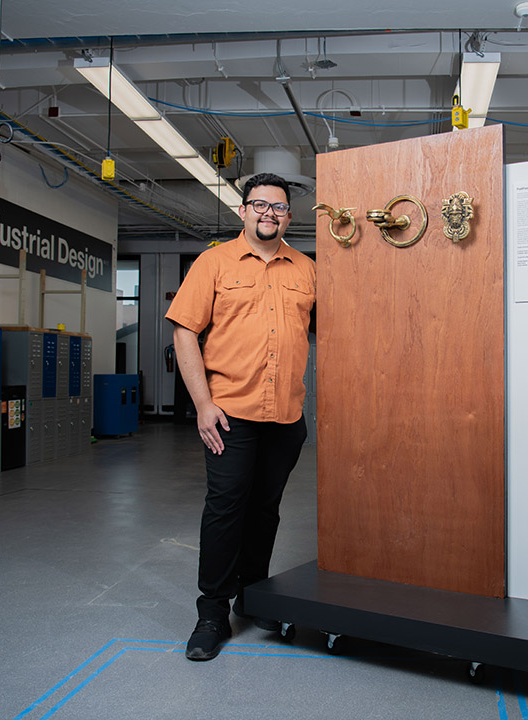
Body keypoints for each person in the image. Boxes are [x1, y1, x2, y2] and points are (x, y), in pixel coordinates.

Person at [165, 173, 315, 661]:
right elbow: (184, 331)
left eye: (278, 208)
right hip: (231, 414)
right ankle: (212, 612)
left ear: (288, 216)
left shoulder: (308, 270)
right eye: (259, 205)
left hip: (286, 416)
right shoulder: (214, 262)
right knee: (226, 508)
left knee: (265, 510)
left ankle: (254, 596)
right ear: (243, 211)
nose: (268, 214)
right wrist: (203, 404)